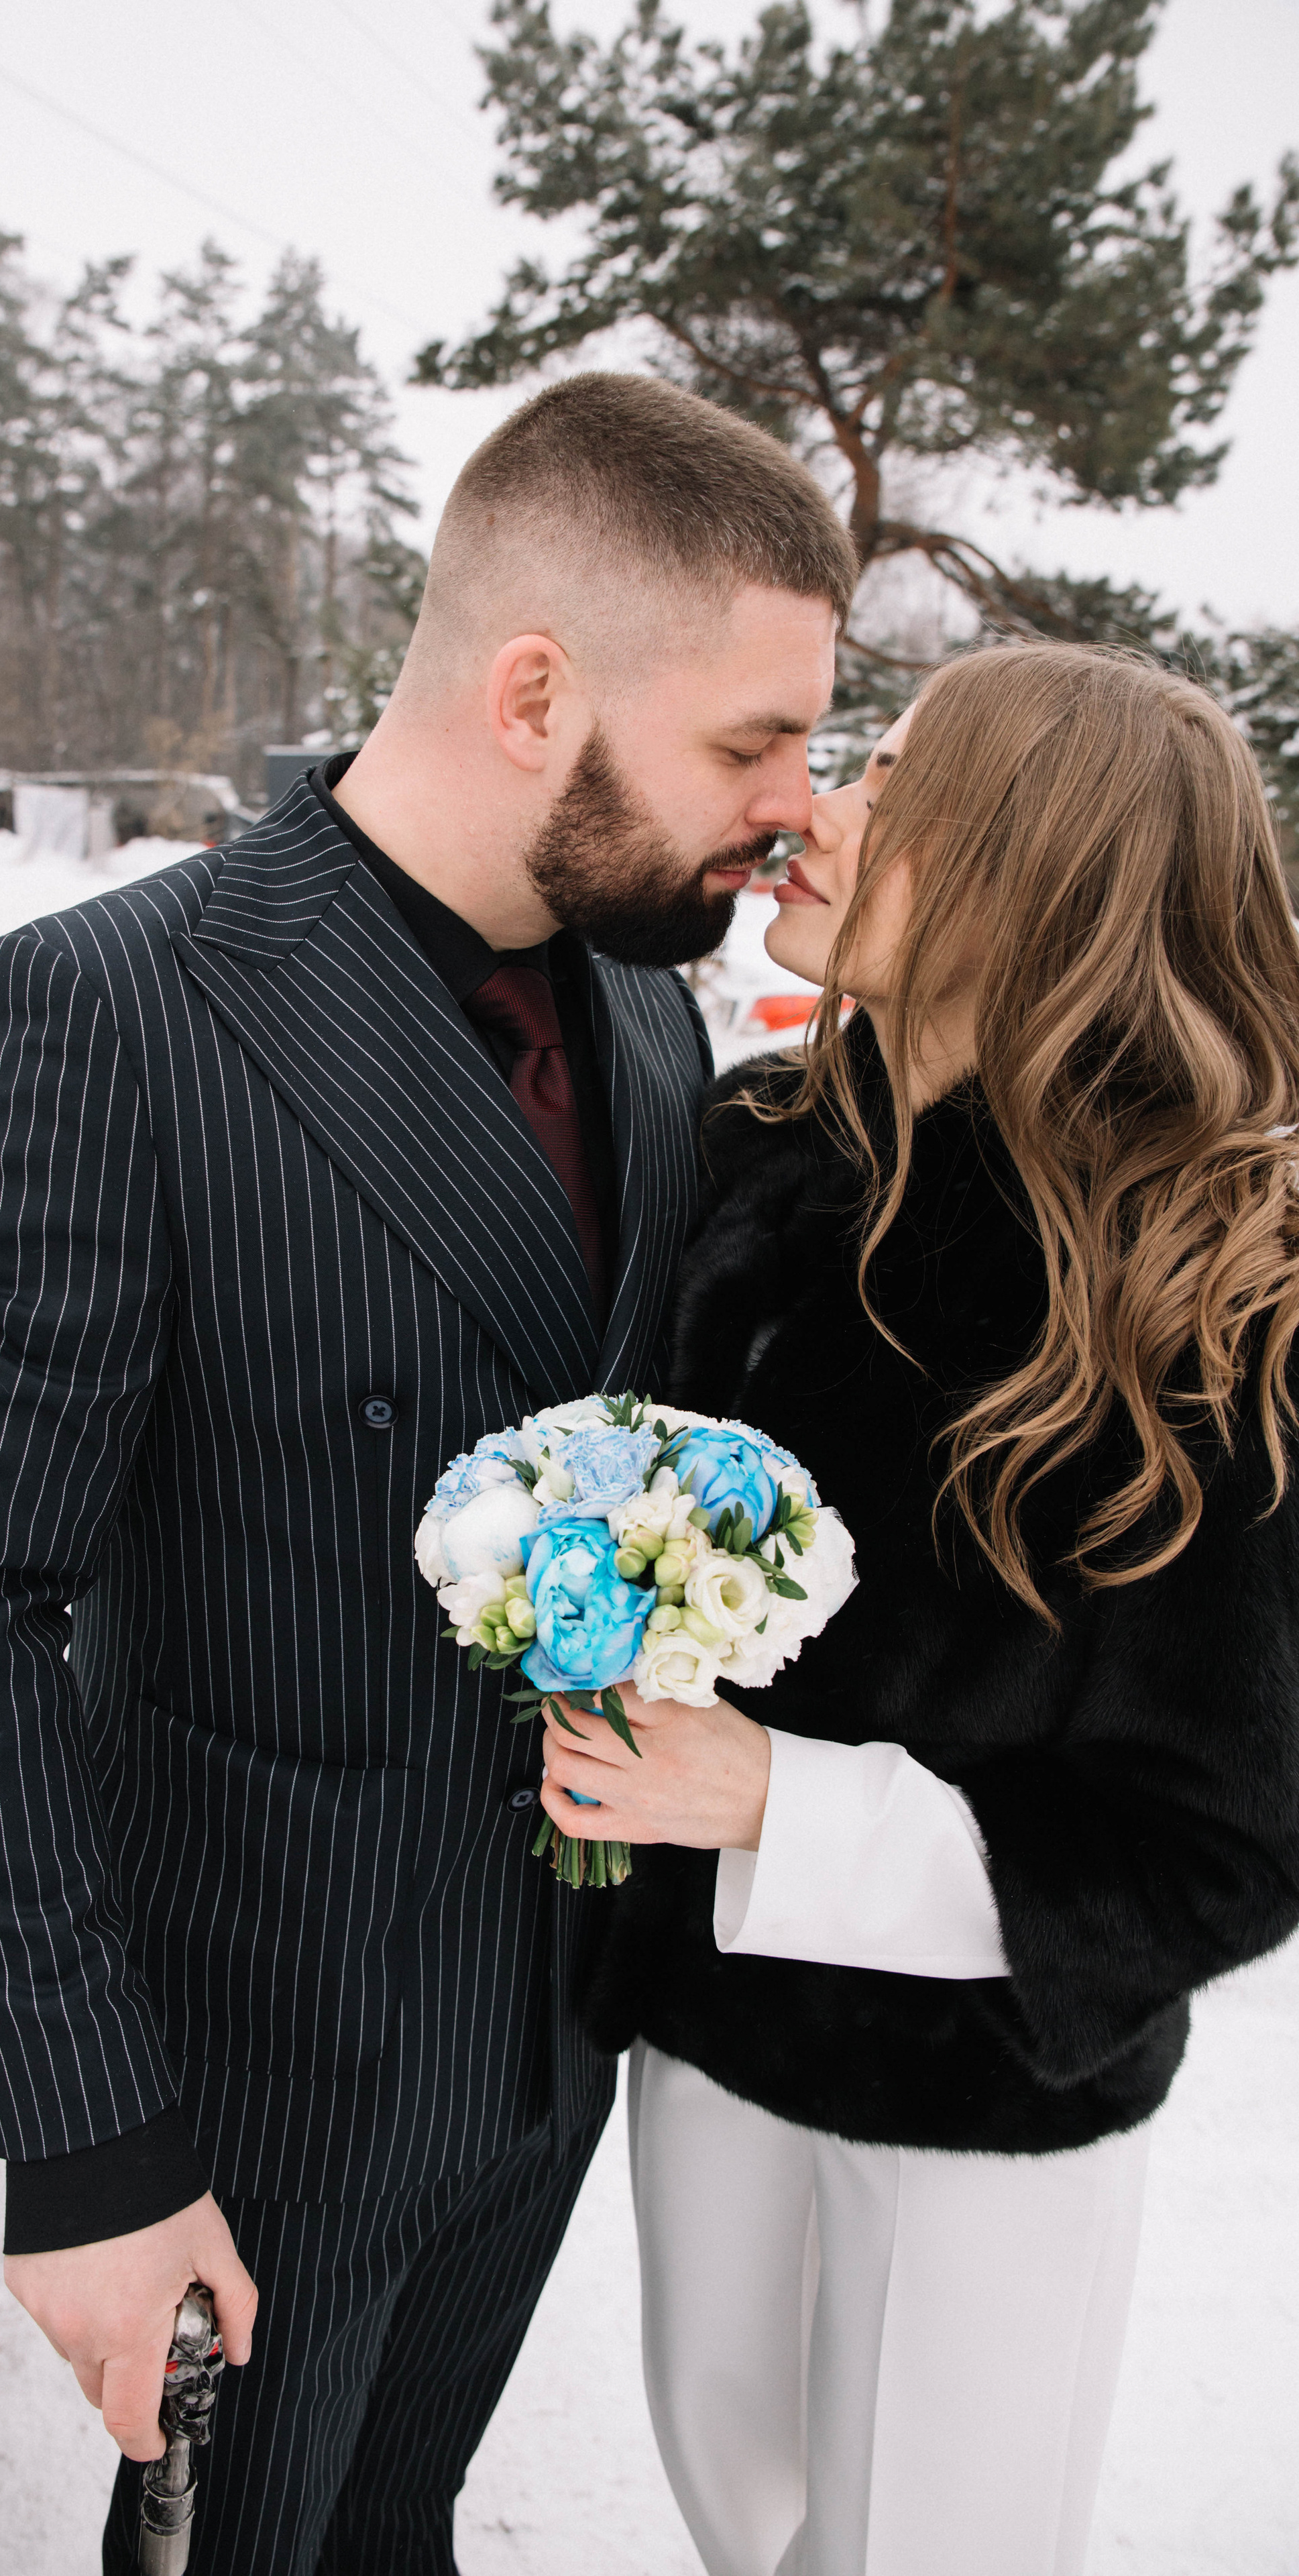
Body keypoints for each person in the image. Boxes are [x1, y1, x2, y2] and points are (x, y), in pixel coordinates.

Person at [0, 370, 856, 2576]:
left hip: (538, 2037)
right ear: (533, 691)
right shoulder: (111, 1013)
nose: (798, 813)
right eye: (753, 745)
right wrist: (87, 2138)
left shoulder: (656, 1013)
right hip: (249, 2074)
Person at [538, 642, 1299, 2576]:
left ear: (1032, 879)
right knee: (740, 2496)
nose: (818, 804)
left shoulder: (1211, 1299)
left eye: (895, 784)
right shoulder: (775, 1148)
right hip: (707, 2034)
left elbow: (1224, 1844)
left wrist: (785, 1808)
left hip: (978, 2102)